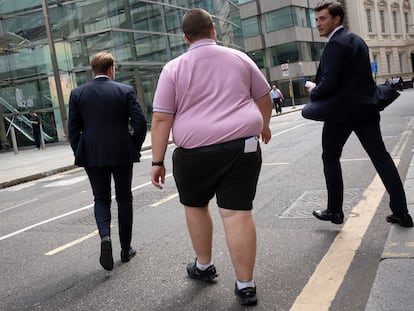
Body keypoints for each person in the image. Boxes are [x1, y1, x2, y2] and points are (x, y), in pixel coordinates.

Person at [150, 8, 272, 306]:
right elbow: (265, 98)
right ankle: (246, 285)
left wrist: (157, 161)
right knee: (237, 212)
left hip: (193, 153)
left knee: (195, 206)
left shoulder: (173, 68)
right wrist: (265, 125)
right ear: (213, 30)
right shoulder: (239, 58)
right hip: (241, 147)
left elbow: (161, 119)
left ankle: (204, 265)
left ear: (185, 37)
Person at [306, 1, 413, 227]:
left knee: (330, 158)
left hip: (340, 114)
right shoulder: (357, 40)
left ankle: (335, 211)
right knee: (381, 158)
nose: (318, 24)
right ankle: (402, 212)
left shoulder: (335, 44)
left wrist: (313, 90)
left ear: (336, 19)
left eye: (322, 19)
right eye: (316, 20)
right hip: (366, 110)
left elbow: (328, 85)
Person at [68, 52, 148, 271]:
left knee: (101, 198)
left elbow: (73, 131)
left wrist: (81, 151)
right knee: (124, 198)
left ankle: (105, 237)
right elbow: (140, 123)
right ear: (111, 68)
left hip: (92, 153)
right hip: (121, 151)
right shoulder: (125, 91)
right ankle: (125, 249)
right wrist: (133, 145)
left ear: (94, 70)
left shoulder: (77, 94)